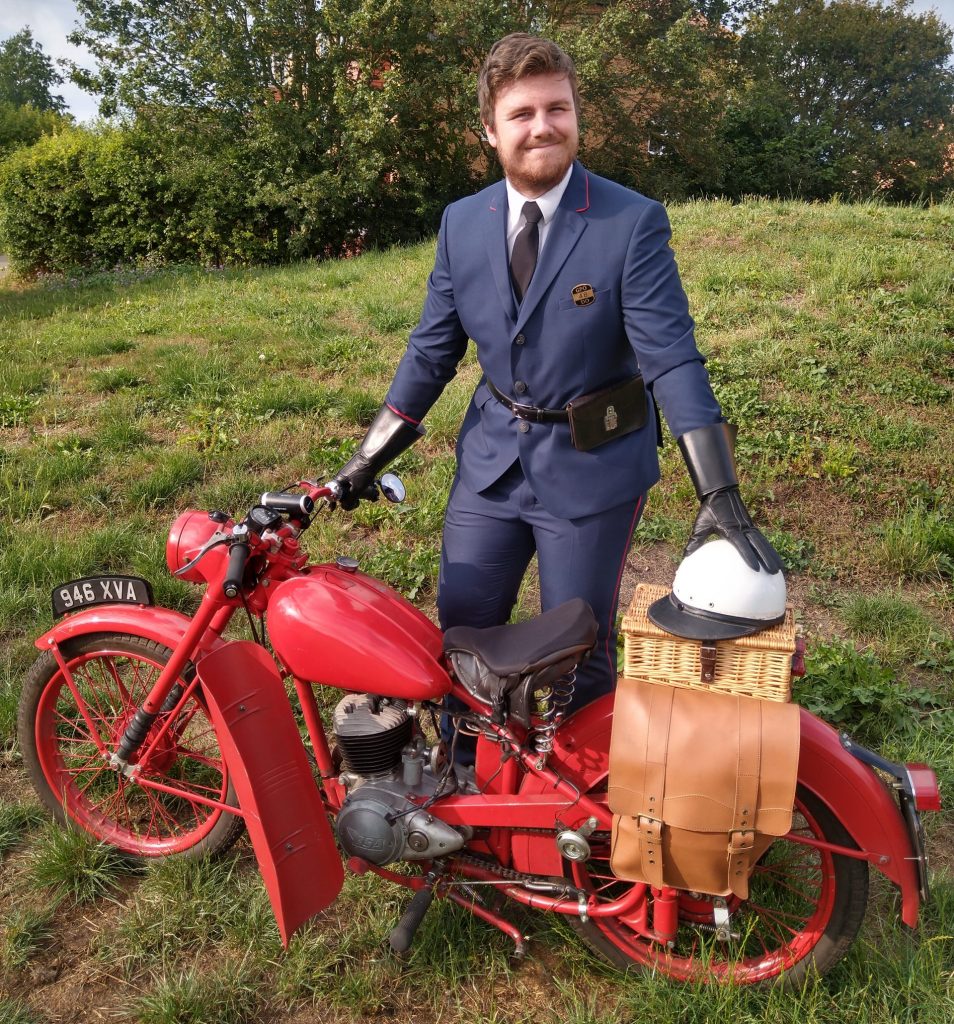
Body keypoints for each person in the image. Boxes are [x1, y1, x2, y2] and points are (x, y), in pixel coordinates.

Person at [333, 33, 783, 746]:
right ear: (490, 130)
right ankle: (468, 789)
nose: (542, 126)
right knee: (464, 635)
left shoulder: (629, 222)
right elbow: (433, 349)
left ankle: (577, 815)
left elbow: (671, 358)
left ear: (577, 116)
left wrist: (718, 492)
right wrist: (366, 460)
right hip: (491, 464)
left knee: (579, 649)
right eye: (522, 114)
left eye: (557, 108)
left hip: (593, 465)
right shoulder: (461, 223)